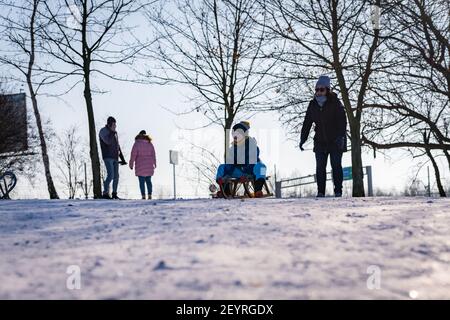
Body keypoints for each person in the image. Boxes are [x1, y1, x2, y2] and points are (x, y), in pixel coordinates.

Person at [299, 75, 347, 197]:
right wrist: (302, 139)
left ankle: (338, 191)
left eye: (321, 89)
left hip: (335, 140)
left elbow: (342, 120)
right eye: (317, 89)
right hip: (320, 141)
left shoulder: (335, 103)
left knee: (336, 165)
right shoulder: (312, 105)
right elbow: (307, 123)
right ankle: (321, 192)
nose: (318, 92)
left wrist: (341, 137)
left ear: (327, 90)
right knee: (320, 167)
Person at [215, 121, 267, 198]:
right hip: (240, 172)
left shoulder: (252, 144)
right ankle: (225, 190)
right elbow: (230, 163)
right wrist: (227, 174)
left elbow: (253, 159)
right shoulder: (233, 148)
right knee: (222, 167)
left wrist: (247, 172)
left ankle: (258, 190)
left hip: (251, 169)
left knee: (262, 167)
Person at [98, 116, 127, 199]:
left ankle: (114, 193)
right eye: (114, 124)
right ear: (110, 124)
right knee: (110, 175)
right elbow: (107, 141)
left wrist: (122, 159)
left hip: (115, 157)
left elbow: (117, 146)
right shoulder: (103, 131)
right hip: (107, 156)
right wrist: (112, 132)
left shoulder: (113, 133)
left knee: (116, 176)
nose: (115, 126)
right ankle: (105, 193)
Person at [129, 130, 157, 200]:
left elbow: (133, 155)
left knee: (141, 182)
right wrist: (154, 163)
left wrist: (131, 164)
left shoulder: (137, 143)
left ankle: (143, 195)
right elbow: (153, 154)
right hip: (149, 166)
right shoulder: (150, 143)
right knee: (149, 181)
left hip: (140, 166)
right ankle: (150, 194)